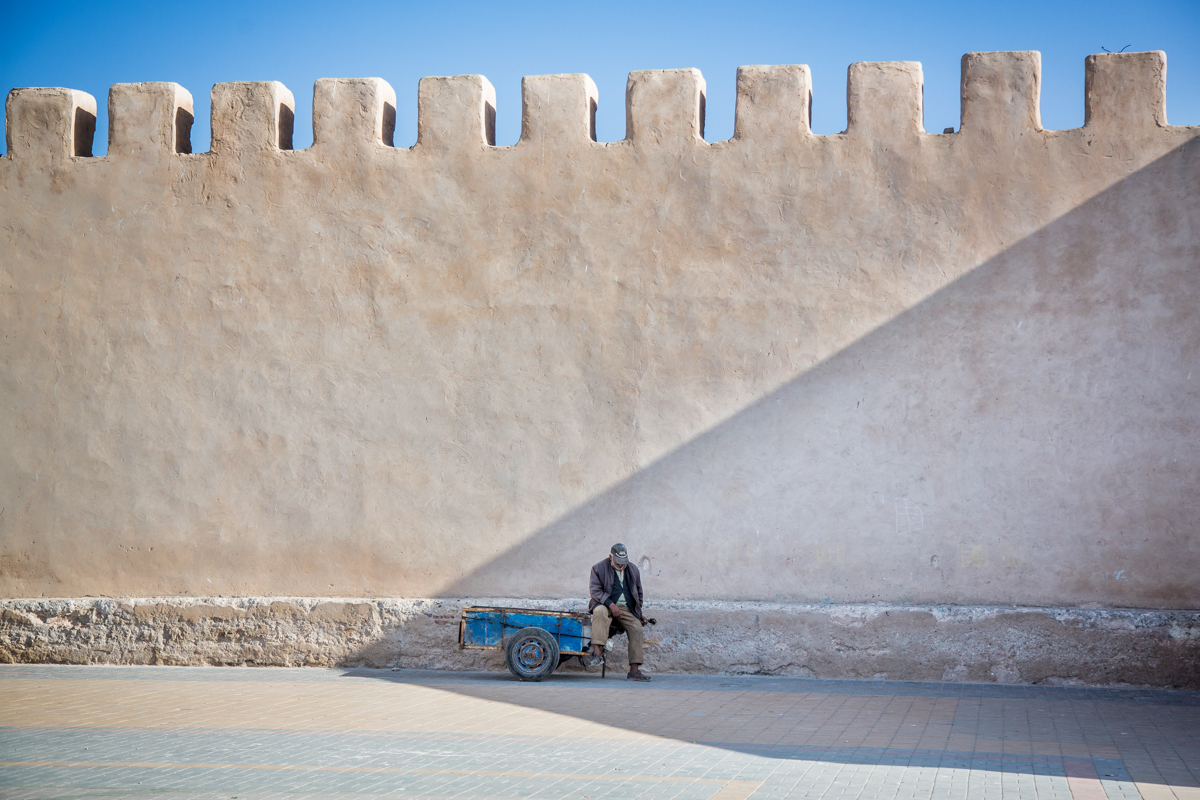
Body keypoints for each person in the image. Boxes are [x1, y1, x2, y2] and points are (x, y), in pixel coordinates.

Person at [586, 543, 650, 681]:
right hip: (605, 605)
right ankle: (597, 653)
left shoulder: (633, 569)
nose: (621, 565)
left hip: (626, 609)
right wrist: (611, 605)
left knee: (636, 628)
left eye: (624, 562)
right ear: (611, 557)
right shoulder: (598, 568)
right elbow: (595, 591)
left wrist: (639, 614)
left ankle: (634, 671)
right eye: (618, 562)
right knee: (600, 611)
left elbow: (638, 593)